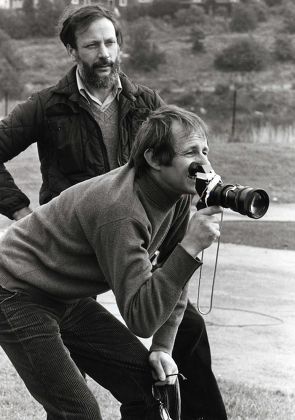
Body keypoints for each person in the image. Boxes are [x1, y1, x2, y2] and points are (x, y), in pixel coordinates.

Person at [0, 105, 227, 420]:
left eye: (205, 151)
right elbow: (141, 318)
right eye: (191, 153)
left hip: (65, 296)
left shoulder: (177, 197)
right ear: (153, 159)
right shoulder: (122, 209)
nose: (205, 163)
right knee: (78, 412)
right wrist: (190, 247)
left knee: (149, 387)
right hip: (15, 290)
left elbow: (174, 274)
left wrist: (163, 346)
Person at [0, 4, 164, 222]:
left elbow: (183, 158)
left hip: (134, 237)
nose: (104, 54)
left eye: (110, 43)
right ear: (72, 51)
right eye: (92, 45)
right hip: (69, 244)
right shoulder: (46, 106)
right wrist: (22, 214)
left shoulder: (147, 103)